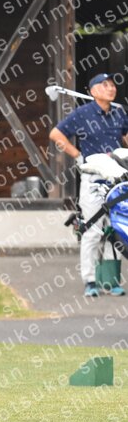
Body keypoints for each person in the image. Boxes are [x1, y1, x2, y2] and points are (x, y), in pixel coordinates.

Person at [50, 73, 128, 297]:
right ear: (93, 91)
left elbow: (125, 136)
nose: (111, 88)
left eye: (112, 85)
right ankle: (90, 280)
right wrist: (77, 155)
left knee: (116, 229)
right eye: (105, 85)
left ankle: (111, 281)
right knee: (93, 230)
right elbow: (56, 134)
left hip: (117, 179)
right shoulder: (82, 114)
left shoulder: (118, 113)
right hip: (93, 177)